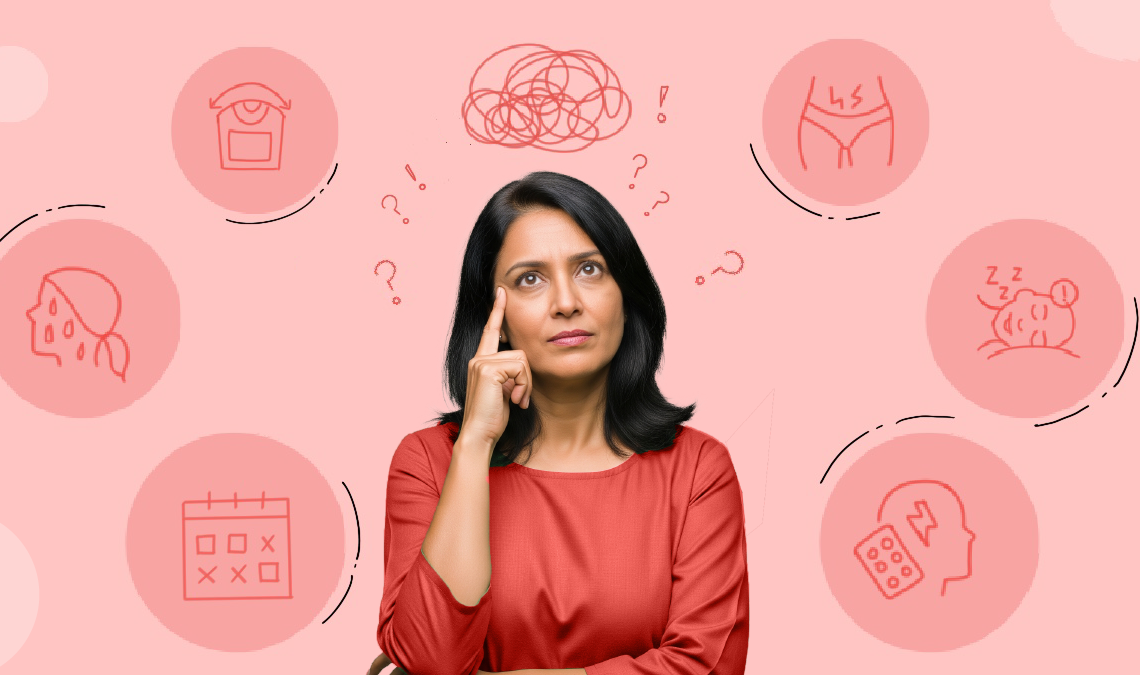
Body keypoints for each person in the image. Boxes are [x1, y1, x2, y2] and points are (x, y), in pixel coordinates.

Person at [372, 171, 749, 674]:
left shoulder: (698, 468)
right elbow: (432, 660)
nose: (567, 302)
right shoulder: (428, 461)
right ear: (493, 316)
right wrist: (476, 444)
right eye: (530, 279)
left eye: (590, 270)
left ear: (625, 291)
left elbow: (707, 667)